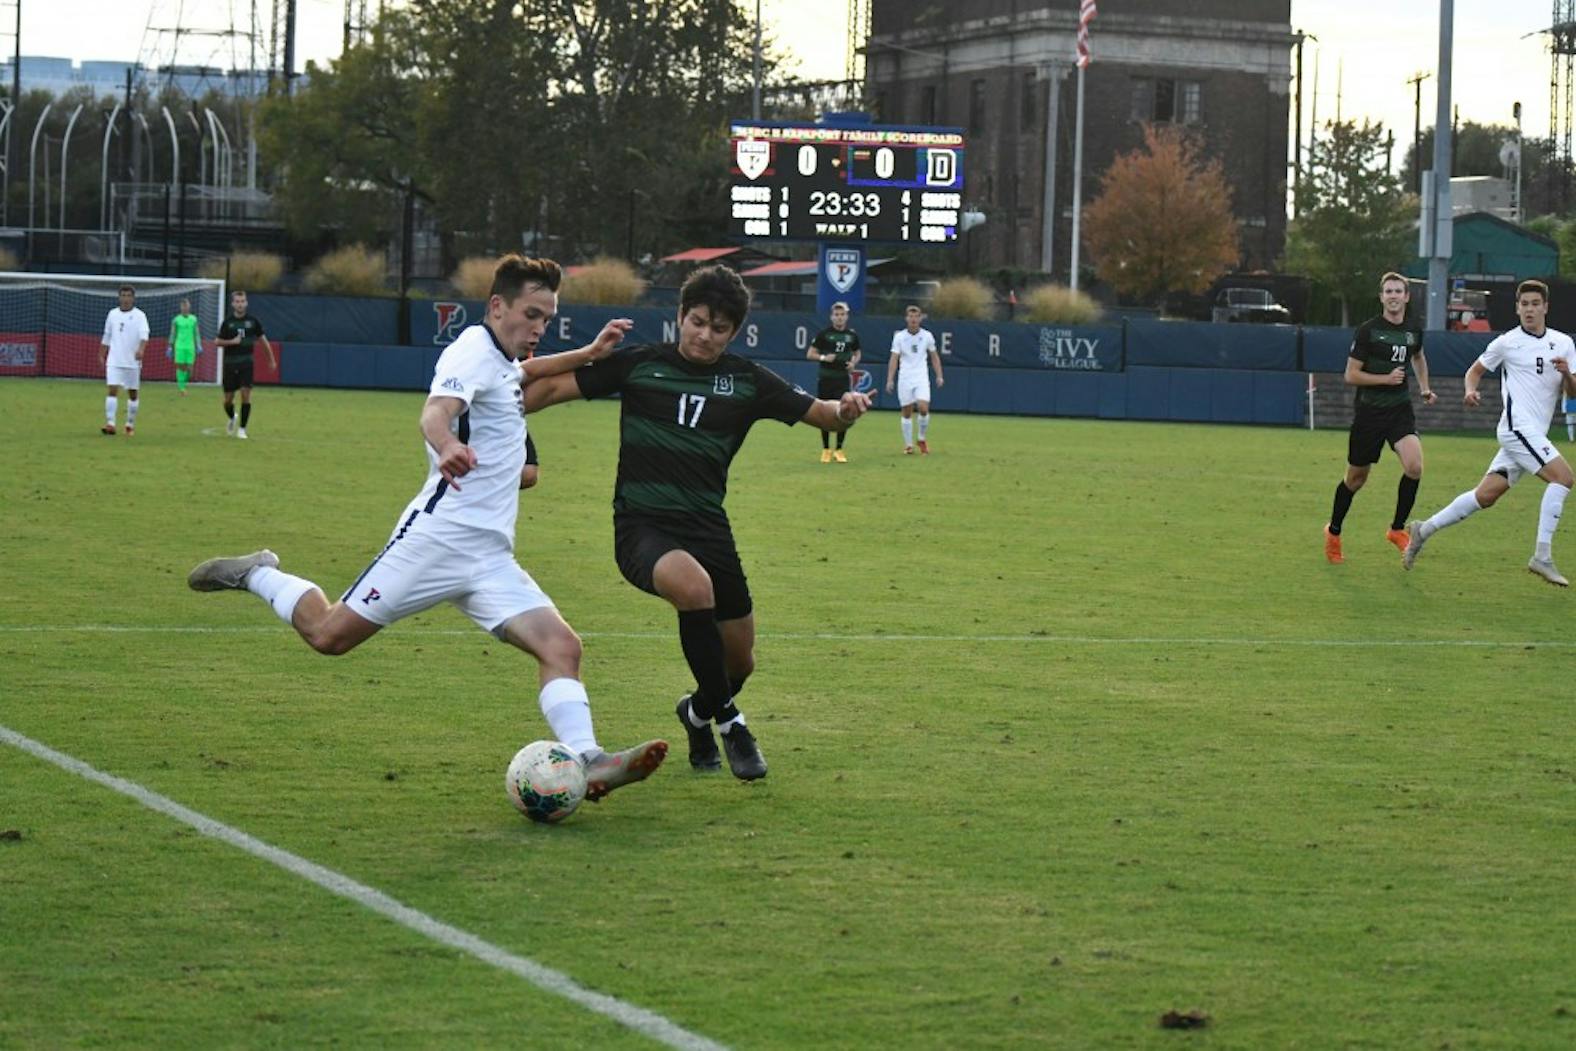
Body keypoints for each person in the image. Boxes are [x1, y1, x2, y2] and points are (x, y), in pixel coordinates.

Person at [186, 256, 668, 802]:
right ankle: (257, 574)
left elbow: (518, 376)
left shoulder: (503, 358)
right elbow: (435, 412)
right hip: (437, 539)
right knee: (328, 635)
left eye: (548, 318)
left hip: (489, 555)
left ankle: (589, 760)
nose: (538, 327)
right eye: (531, 314)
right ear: (497, 306)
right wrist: (448, 446)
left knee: (562, 646)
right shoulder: (469, 351)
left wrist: (585, 353)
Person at [524, 264, 874, 782]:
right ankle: (732, 723)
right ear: (680, 316)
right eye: (698, 322)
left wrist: (847, 410)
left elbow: (822, 414)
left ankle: (697, 713)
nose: (705, 335)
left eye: (718, 328)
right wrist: (486, 420)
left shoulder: (746, 380)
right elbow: (543, 394)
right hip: (642, 527)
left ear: (734, 333)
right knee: (693, 587)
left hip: (708, 527)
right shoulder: (639, 364)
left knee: (740, 663)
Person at [1404, 279, 1576, 586]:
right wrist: (1470, 390)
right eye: (1524, 304)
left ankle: (1423, 529)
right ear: (1517, 308)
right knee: (1564, 478)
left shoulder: (1563, 343)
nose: (1529, 310)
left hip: (1533, 433)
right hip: (1515, 428)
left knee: (1485, 496)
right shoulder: (1507, 342)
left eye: (1535, 304)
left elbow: (1573, 392)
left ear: (1546, 307)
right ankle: (1542, 556)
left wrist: (1566, 374)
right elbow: (1475, 370)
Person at [1323, 272, 1436, 564]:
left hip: (1399, 410)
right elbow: (1351, 375)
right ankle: (1333, 532)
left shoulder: (1413, 330)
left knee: (1415, 465)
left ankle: (1397, 529)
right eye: (1388, 291)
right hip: (1369, 413)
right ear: (1382, 297)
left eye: (1399, 291)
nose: (1394, 295)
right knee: (1356, 479)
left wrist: (1424, 388)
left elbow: (1418, 357)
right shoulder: (1368, 331)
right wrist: (1385, 378)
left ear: (1407, 296)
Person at [215, 290, 278, 439]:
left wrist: (271, 360)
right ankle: (232, 417)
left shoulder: (253, 322)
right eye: (237, 301)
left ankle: (242, 429)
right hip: (230, 364)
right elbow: (217, 341)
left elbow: (263, 341)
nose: (240, 304)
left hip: (246, 364)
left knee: (245, 394)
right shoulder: (228, 323)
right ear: (232, 304)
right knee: (228, 400)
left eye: (242, 301)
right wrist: (232, 342)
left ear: (246, 303)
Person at [806, 301, 862, 462]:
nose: (839, 317)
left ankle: (839, 449)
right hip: (826, 379)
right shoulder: (824, 334)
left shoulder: (852, 336)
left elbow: (857, 353)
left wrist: (853, 363)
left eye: (842, 314)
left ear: (847, 317)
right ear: (832, 317)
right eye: (836, 315)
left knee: (845, 412)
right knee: (823, 413)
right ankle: (826, 449)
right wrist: (824, 357)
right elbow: (810, 354)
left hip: (842, 379)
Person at [885, 304, 944, 454]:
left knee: (923, 408)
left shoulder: (927, 336)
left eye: (916, 316)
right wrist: (890, 379)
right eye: (910, 316)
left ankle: (921, 438)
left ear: (920, 318)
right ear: (906, 318)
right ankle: (908, 444)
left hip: (921, 377)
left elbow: (934, 357)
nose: (913, 319)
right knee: (906, 411)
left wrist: (939, 375)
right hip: (905, 377)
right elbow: (894, 358)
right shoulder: (899, 337)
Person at [100, 285, 150, 436]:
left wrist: (141, 350)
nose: (126, 298)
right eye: (123, 295)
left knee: (133, 394)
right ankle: (110, 424)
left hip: (132, 362)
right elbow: (107, 335)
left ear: (133, 298)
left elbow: (144, 336)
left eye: (129, 296)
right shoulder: (112, 314)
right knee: (112, 390)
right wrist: (102, 353)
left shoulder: (140, 315)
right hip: (114, 359)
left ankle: (129, 423)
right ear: (119, 297)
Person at [167, 298, 203, 396]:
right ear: (181, 308)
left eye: (186, 306)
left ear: (189, 307)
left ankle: (183, 384)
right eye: (183, 306)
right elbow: (173, 333)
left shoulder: (193, 319)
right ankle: (182, 389)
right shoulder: (176, 320)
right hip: (179, 346)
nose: (185, 308)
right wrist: (170, 346)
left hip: (190, 347)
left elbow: (196, 333)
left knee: (190, 369)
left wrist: (198, 344)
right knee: (181, 367)